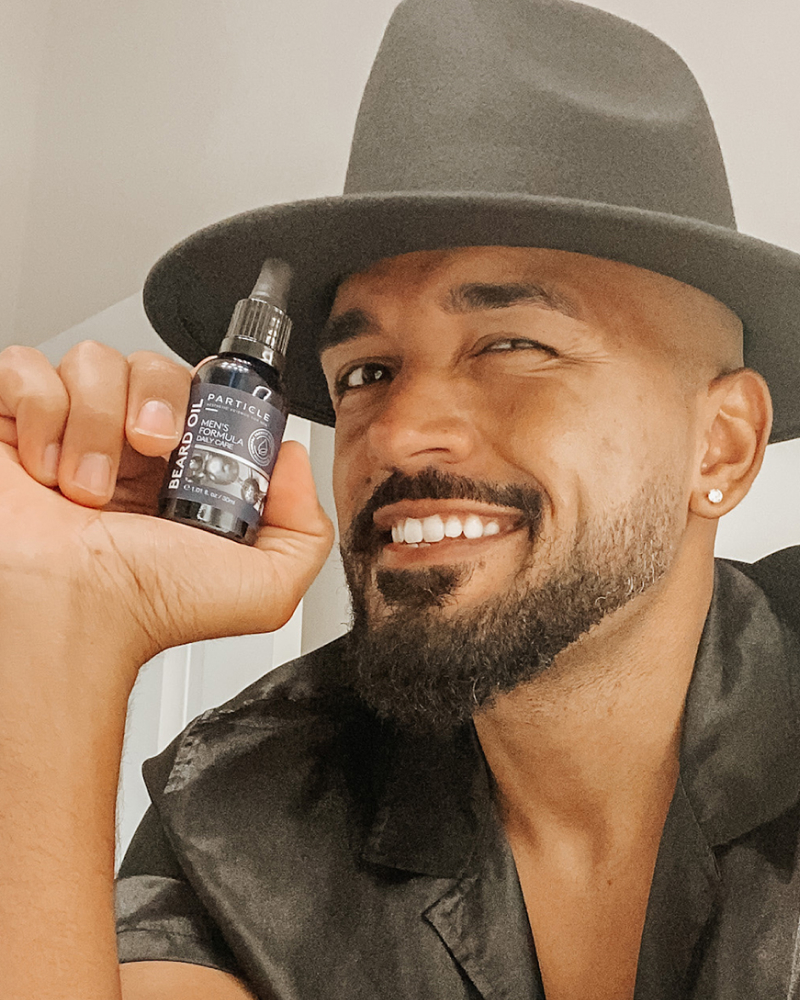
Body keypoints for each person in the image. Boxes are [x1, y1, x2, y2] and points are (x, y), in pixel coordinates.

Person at [2, 1, 800, 999]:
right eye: (365, 369)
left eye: (511, 345)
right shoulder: (250, 809)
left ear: (719, 445)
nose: (396, 429)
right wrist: (48, 623)